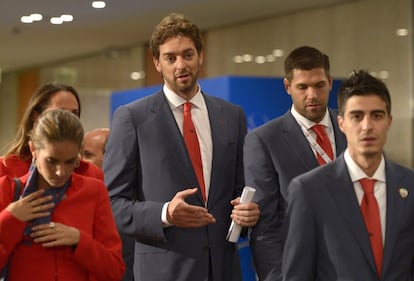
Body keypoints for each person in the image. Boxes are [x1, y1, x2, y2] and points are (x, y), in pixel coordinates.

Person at [103, 13, 260, 281]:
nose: (180, 65)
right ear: (157, 63)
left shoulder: (232, 115)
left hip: (224, 270)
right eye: (170, 57)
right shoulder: (132, 118)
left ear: (201, 56)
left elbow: (241, 189)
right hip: (165, 271)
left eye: (188, 54)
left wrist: (248, 212)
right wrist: (165, 213)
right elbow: (113, 205)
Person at [282, 70, 414, 281]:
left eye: (377, 116)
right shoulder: (309, 191)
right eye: (357, 116)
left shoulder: (409, 185)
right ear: (341, 123)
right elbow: (297, 274)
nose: (367, 126)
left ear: (389, 121)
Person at [244, 46, 347, 280]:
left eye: (319, 85)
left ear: (330, 82)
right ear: (288, 87)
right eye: (302, 87)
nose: (312, 95)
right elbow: (265, 228)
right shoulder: (264, 141)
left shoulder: (350, 128)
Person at [0, 109, 125, 280]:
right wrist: (9, 219)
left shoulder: (94, 192)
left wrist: (80, 241)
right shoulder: (6, 190)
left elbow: (115, 269)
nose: (60, 172)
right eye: (52, 161)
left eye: (70, 161)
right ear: (33, 149)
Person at [0, 82, 104, 180]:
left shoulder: (91, 173)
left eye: (74, 114)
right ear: (36, 117)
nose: (68, 120)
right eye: (59, 113)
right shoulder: (5, 169)